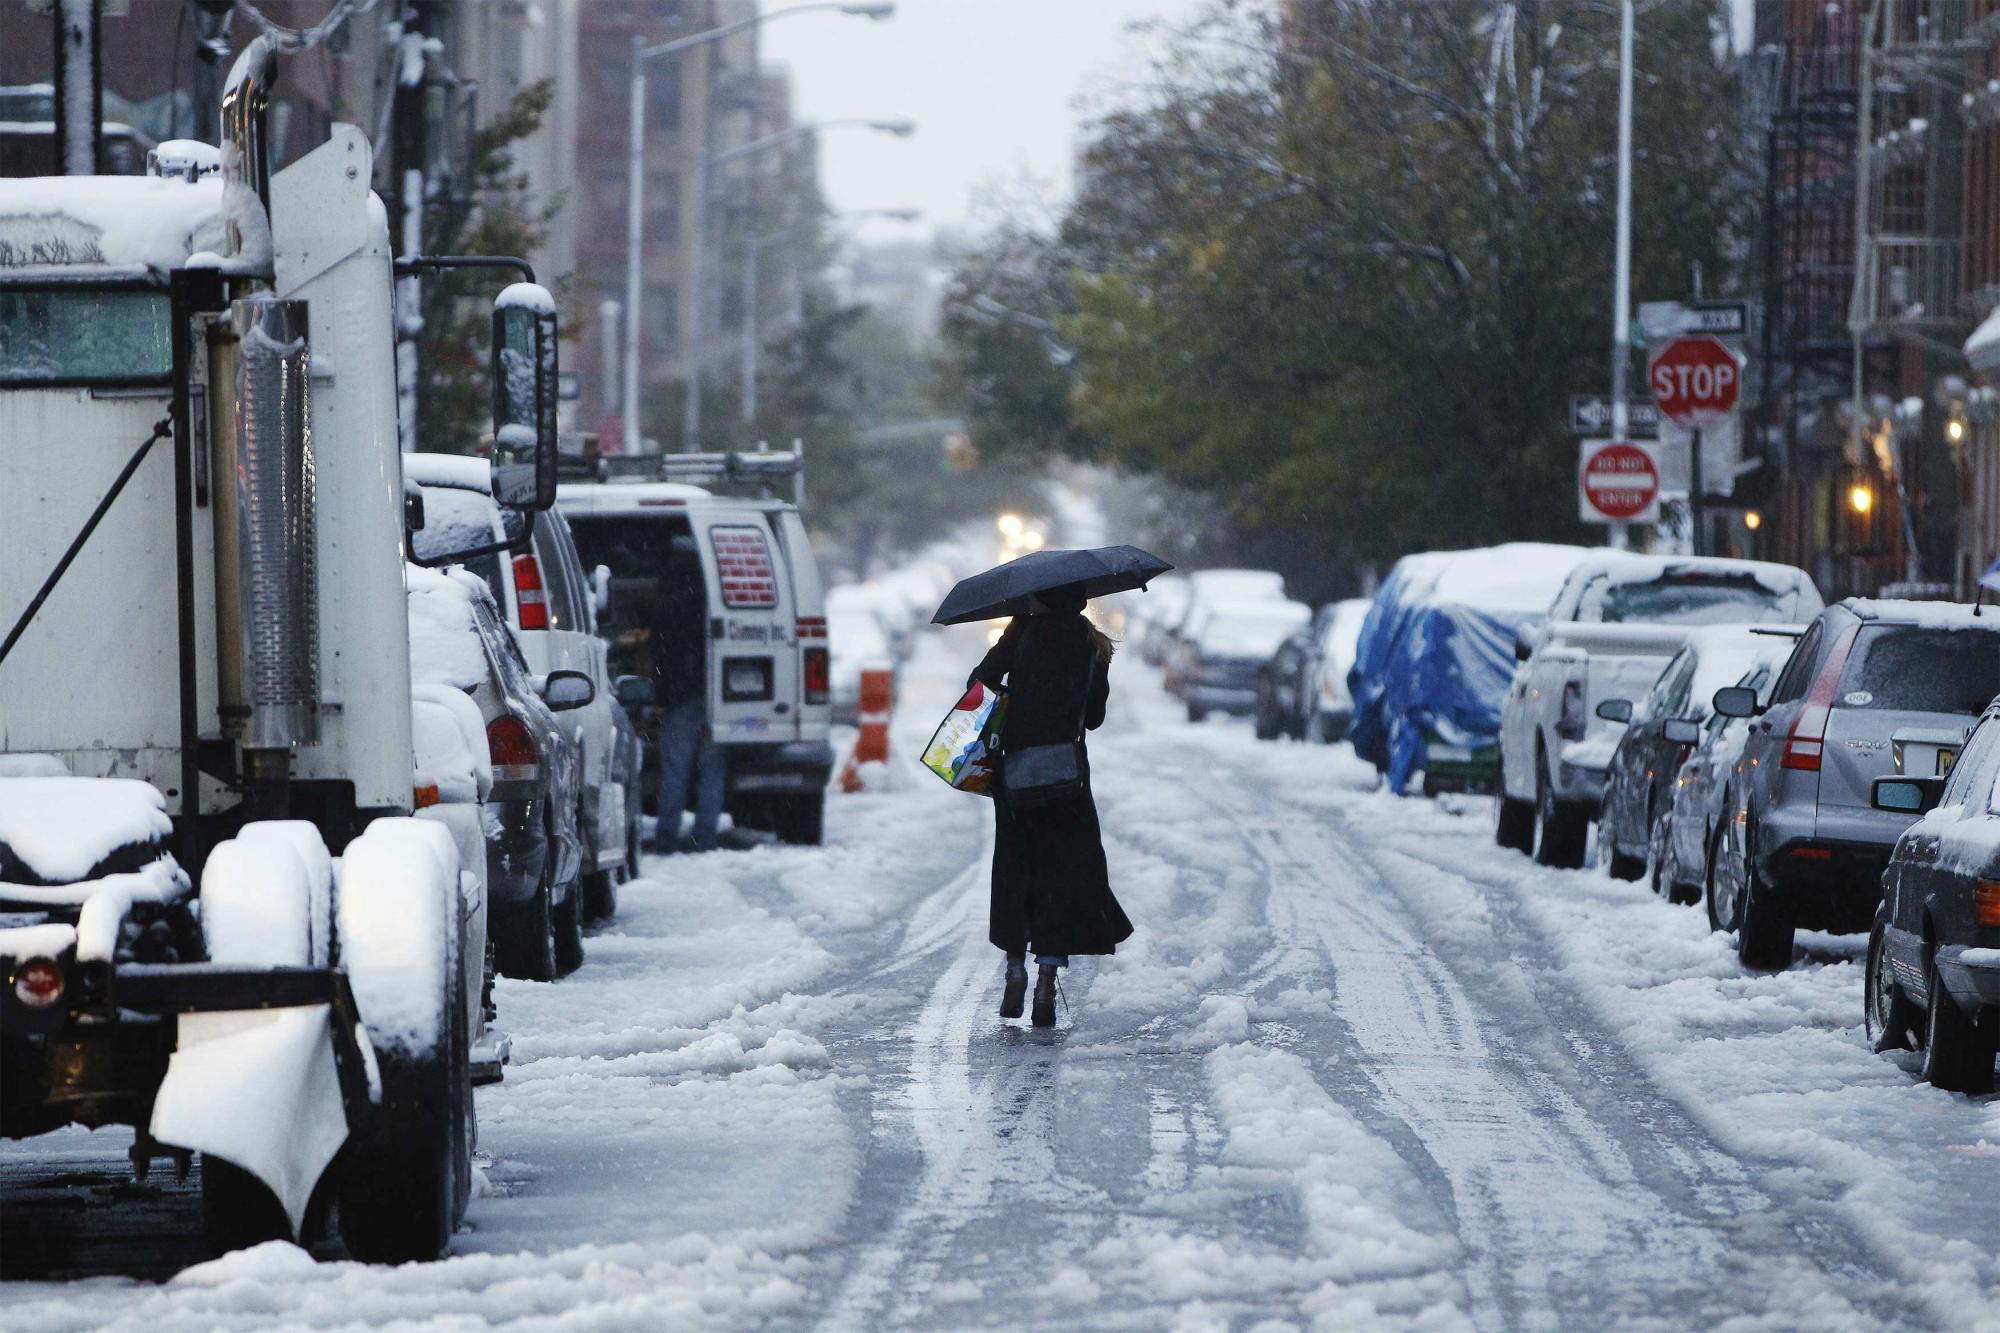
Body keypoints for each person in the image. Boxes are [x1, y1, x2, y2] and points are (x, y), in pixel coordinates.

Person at [968, 582, 1133, 1026]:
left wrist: (1015, 697)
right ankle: (1045, 985)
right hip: (1068, 780)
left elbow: (978, 683)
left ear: (1039, 597)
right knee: (1061, 876)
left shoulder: (1020, 632)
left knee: (1017, 869)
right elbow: (1094, 719)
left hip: (1016, 779)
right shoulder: (1089, 640)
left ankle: (1015, 969)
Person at [650, 544, 723, 854]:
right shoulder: (713, 600)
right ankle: (704, 837)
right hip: (719, 698)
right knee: (712, 771)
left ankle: (667, 837)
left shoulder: (668, 605)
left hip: (682, 700)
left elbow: (661, 657)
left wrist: (661, 696)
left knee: (675, 772)